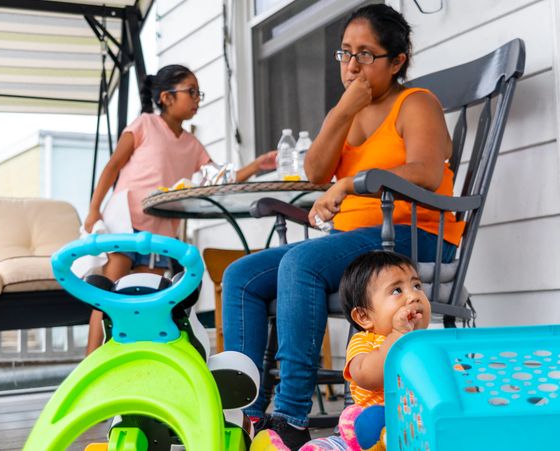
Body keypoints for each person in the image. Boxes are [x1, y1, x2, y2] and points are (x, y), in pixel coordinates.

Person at [224, 4, 464, 450]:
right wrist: (341, 110)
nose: (352, 65)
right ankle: (249, 415)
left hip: (415, 234)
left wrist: (353, 183)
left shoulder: (416, 104)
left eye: (366, 54)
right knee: (242, 276)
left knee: (301, 261)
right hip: (354, 241)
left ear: (397, 61)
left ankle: (291, 414)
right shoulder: (350, 110)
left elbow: (428, 173)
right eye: (345, 53)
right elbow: (316, 173)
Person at [84, 64, 276, 355]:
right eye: (192, 92)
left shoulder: (192, 144)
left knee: (150, 297)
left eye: (199, 92)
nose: (198, 98)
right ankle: (92, 360)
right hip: (126, 222)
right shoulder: (144, 125)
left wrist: (256, 165)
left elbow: (219, 178)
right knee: (111, 293)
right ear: (166, 97)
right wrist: (94, 210)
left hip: (161, 231)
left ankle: (136, 360)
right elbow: (112, 167)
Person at [298, 251, 430, 450]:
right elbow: (367, 377)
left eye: (417, 286)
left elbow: (457, 383)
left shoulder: (430, 345)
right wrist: (397, 335)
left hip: (422, 427)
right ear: (364, 317)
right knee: (367, 423)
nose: (414, 296)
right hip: (372, 428)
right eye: (397, 291)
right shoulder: (365, 341)